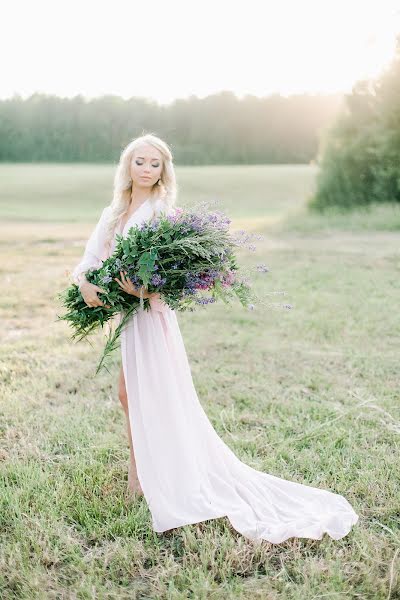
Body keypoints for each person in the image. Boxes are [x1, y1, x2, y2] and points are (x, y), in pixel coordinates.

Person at [71, 133, 359, 543]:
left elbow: (175, 277)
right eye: (141, 161)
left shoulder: (163, 213)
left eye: (156, 163)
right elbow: (90, 258)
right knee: (128, 394)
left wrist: (147, 290)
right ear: (128, 166)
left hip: (150, 316)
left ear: (163, 170)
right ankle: (141, 477)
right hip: (127, 315)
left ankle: (148, 480)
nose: (148, 169)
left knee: (143, 394)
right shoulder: (114, 211)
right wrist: (85, 284)